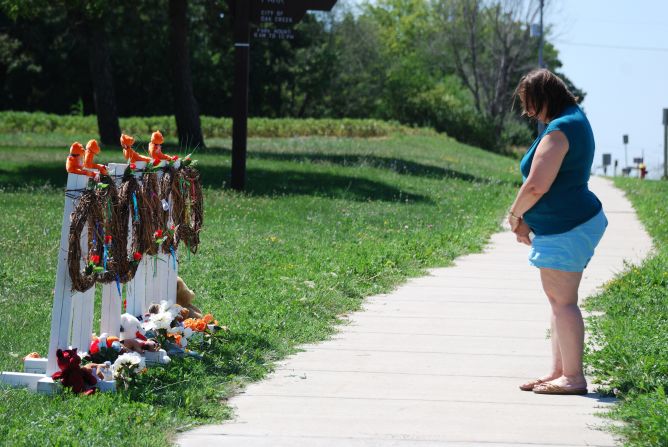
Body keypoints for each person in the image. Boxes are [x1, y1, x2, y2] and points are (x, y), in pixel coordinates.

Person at [508, 69, 607, 395]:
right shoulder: (571, 121)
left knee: (563, 302)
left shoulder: (561, 129)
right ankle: (559, 372)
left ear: (543, 97)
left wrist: (515, 214)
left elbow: (536, 185)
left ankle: (573, 377)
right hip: (564, 226)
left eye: (530, 104)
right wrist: (529, 220)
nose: (528, 112)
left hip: (568, 228)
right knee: (557, 302)